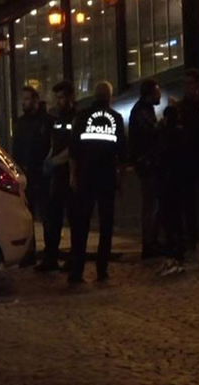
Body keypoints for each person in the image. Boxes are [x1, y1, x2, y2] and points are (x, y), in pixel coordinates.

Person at [68, 81, 126, 284]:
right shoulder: (116, 118)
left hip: (85, 178)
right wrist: (120, 178)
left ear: (94, 96)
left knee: (81, 226)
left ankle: (76, 271)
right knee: (106, 226)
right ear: (110, 97)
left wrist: (73, 175)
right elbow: (122, 152)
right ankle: (102, 269)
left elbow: (73, 149)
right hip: (106, 179)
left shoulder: (82, 117)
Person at [36, 81, 77, 272]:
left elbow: (73, 148)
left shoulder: (77, 118)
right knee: (53, 218)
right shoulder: (57, 119)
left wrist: (54, 161)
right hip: (57, 177)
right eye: (57, 98)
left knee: (74, 220)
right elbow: (55, 144)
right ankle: (51, 257)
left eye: (61, 97)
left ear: (70, 97)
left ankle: (74, 259)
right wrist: (48, 159)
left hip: (71, 174)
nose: (58, 101)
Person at [12, 87, 52, 267]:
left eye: (27, 99)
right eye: (23, 99)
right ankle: (29, 252)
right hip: (27, 175)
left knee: (46, 216)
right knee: (27, 217)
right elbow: (17, 149)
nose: (24, 103)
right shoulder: (22, 123)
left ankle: (49, 252)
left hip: (43, 175)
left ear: (35, 100)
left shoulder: (47, 121)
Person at [129, 78, 162, 259]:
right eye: (157, 91)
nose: (160, 94)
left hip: (146, 163)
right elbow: (152, 134)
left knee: (151, 204)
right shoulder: (142, 111)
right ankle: (149, 243)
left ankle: (151, 241)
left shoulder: (143, 109)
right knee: (150, 205)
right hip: (147, 164)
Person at [155, 106, 186, 276]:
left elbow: (160, 158)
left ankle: (172, 255)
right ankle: (178, 251)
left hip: (167, 182)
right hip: (179, 181)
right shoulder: (181, 133)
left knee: (169, 221)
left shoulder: (164, 135)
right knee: (178, 219)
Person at [176, 69, 199, 250]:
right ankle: (192, 236)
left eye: (190, 83)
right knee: (189, 201)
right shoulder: (181, 108)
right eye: (185, 84)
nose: (188, 87)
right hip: (187, 160)